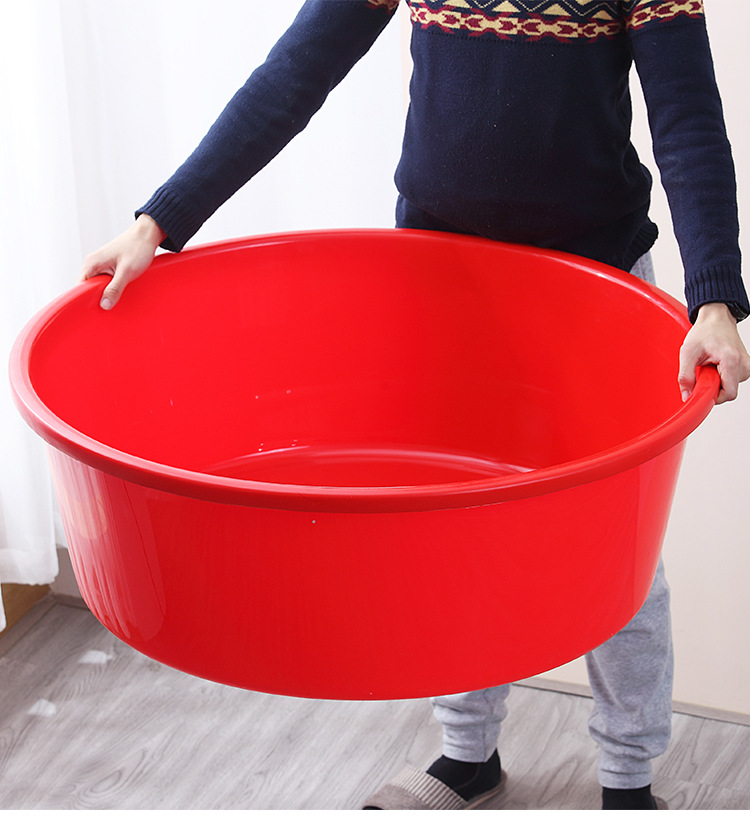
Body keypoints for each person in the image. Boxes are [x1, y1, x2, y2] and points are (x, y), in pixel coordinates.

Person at [80, 0, 750, 810]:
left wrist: (714, 297)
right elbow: (296, 73)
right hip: (444, 281)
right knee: (454, 522)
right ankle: (468, 755)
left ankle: (628, 780)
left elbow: (687, 116)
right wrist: (160, 220)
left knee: (616, 545)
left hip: (594, 286)